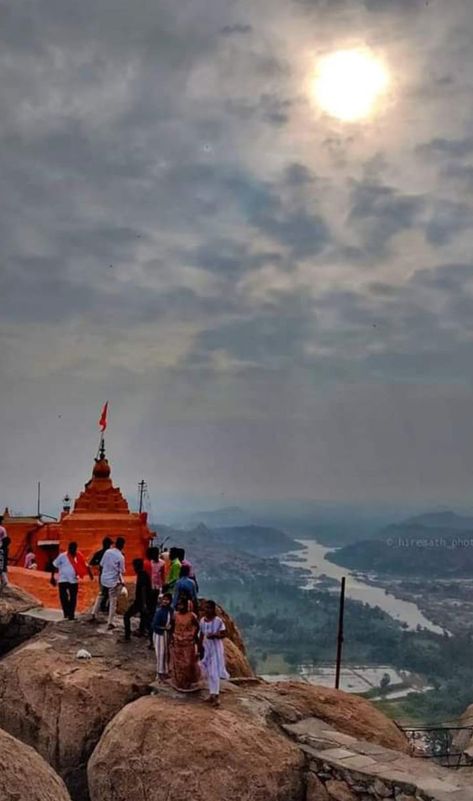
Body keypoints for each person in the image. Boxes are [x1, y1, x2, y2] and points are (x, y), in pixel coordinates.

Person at [51, 542, 93, 621]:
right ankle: (66, 612)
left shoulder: (78, 556)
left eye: (74, 549)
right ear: (69, 548)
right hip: (63, 580)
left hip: (74, 580)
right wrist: (52, 577)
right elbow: (54, 565)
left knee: (73, 598)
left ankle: (71, 614)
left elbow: (85, 565)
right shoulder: (62, 556)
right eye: (71, 548)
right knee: (63, 597)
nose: (72, 550)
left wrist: (91, 575)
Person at [90, 536, 125, 629]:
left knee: (100, 595)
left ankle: (93, 613)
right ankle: (110, 622)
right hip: (113, 581)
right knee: (113, 600)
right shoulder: (121, 557)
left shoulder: (107, 552)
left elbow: (101, 564)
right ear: (122, 546)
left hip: (103, 578)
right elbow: (122, 570)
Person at [199, 600, 229, 707]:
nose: (207, 610)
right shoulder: (202, 621)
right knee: (208, 672)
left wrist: (215, 635)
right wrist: (200, 648)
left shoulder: (218, 621)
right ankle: (212, 694)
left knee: (214, 672)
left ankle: (216, 696)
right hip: (207, 648)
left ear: (213, 609)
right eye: (205, 608)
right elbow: (201, 634)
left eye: (209, 608)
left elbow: (224, 633)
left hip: (216, 649)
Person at [169, 595, 200, 692]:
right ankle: (180, 683)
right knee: (178, 663)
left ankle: (188, 682)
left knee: (188, 663)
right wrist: (171, 638)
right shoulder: (175, 615)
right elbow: (172, 626)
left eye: (182, 605)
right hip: (177, 641)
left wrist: (194, 635)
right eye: (178, 605)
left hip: (188, 643)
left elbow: (197, 626)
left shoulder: (192, 616)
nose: (179, 607)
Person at [122, 558, 153, 641]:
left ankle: (127, 636)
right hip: (145, 600)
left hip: (141, 601)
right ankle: (142, 632)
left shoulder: (141, 575)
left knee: (126, 616)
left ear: (136, 566)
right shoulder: (143, 574)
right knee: (143, 617)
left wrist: (144, 604)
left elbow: (143, 590)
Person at [151, 592, 174, 680]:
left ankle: (165, 671)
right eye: (164, 599)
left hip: (166, 635)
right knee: (161, 653)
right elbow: (154, 625)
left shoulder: (171, 610)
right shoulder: (159, 611)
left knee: (166, 653)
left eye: (167, 600)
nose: (165, 601)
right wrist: (164, 628)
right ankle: (159, 672)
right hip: (159, 635)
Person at [89, 537, 113, 613]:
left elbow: (92, 563)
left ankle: (103, 607)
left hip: (103, 575)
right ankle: (105, 607)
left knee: (104, 592)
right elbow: (92, 563)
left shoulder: (99, 553)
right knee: (110, 593)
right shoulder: (111, 554)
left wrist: (98, 564)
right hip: (110, 575)